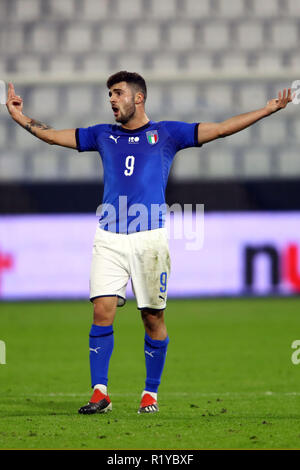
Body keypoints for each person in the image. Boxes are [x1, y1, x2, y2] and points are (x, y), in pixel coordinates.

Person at [6, 71, 292, 415]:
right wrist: (19, 116)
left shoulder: (167, 134)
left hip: (149, 239)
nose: (111, 99)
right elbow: (52, 136)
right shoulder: (101, 135)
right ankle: (100, 393)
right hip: (109, 237)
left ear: (138, 98)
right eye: (109, 94)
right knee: (101, 311)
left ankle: (150, 394)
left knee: (152, 317)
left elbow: (220, 129)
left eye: (118, 93)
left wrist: (267, 110)